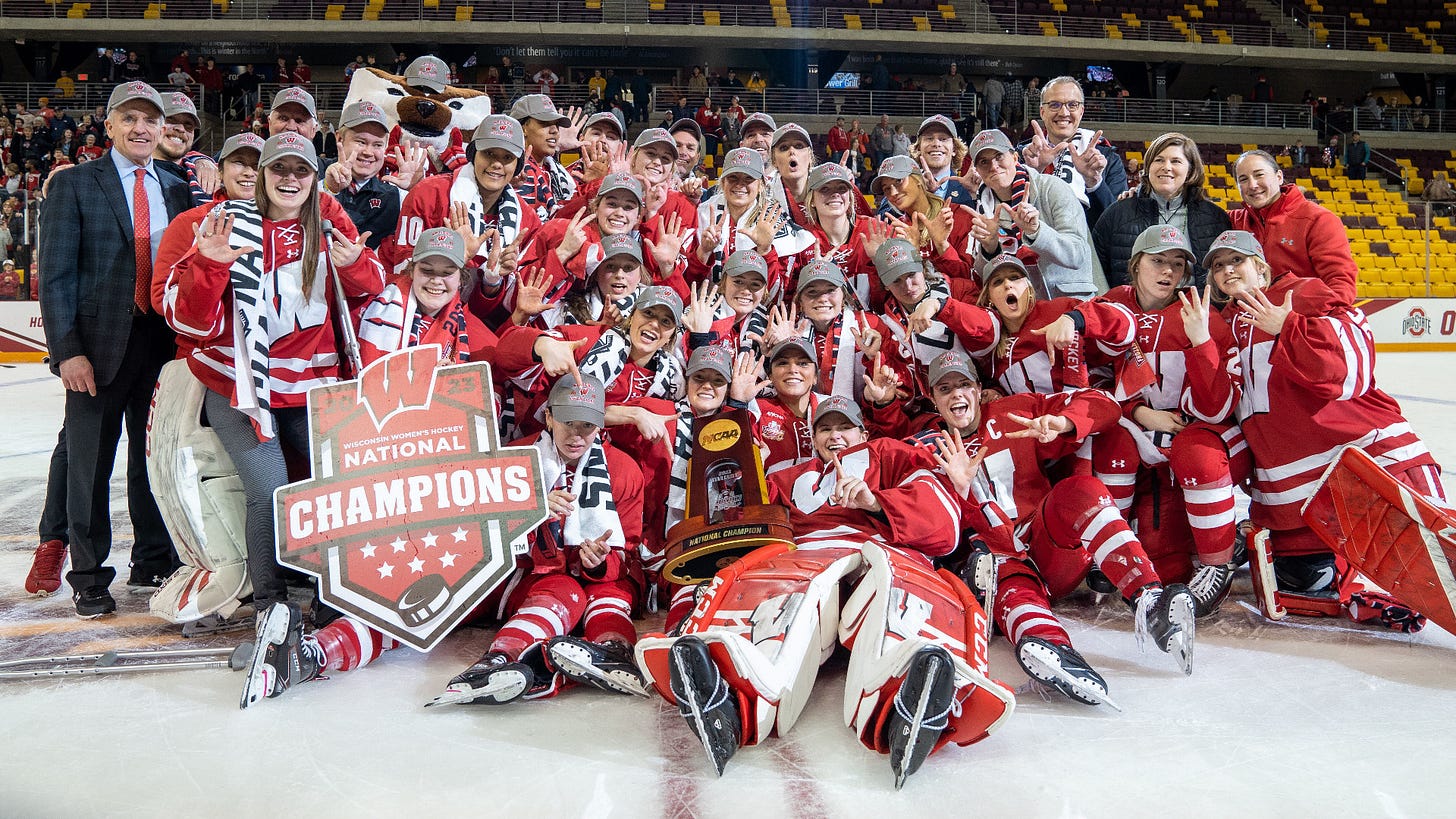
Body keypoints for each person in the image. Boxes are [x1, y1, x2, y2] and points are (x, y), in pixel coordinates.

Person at [635, 394, 1016, 787]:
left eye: (844, 427)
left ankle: (908, 699)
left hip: (886, 550)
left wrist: (875, 503)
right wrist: (746, 473)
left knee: (894, 585)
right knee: (791, 591)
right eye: (825, 428)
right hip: (811, 560)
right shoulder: (784, 478)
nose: (835, 436)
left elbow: (944, 530)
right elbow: (741, 528)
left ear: (863, 431)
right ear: (813, 437)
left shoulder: (893, 454)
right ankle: (732, 699)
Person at [160, 132, 384, 652]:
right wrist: (210, 265)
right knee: (269, 492)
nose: (289, 179)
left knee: (331, 489)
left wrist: (352, 264)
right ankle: (270, 607)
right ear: (261, 175)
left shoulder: (328, 221)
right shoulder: (219, 224)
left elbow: (371, 287)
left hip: (314, 384)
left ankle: (332, 603)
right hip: (241, 385)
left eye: (300, 171)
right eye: (278, 169)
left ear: (313, 177)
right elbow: (187, 321)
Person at [890, 351, 1197, 706]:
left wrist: (1063, 423)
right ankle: (1051, 647)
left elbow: (1105, 405)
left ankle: (1151, 600)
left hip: (1045, 544)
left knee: (1081, 491)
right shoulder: (925, 448)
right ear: (933, 398)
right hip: (995, 563)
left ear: (978, 389)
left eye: (963, 385)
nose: (956, 395)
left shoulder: (1014, 410)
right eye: (945, 389)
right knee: (999, 574)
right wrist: (955, 490)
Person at [1205, 230, 1438, 632]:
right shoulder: (1218, 326)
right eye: (1219, 265)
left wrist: (1288, 326)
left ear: (1261, 266)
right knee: (1304, 585)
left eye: (1237, 260)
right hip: (1291, 498)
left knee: (1421, 556)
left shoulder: (1303, 292)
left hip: (1365, 457)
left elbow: (1352, 367)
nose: (1228, 270)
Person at [35, 82, 193, 616]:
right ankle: (88, 575)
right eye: (130, 118)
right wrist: (67, 350)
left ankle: (152, 560)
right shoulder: (75, 185)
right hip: (95, 351)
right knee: (89, 466)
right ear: (109, 126)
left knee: (153, 461)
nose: (142, 128)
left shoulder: (176, 186)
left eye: (151, 119)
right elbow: (53, 278)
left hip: (161, 345)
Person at [1040, 225, 1244, 614]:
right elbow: (1097, 380)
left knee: (1194, 464)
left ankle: (1219, 561)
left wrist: (1200, 341)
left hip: (1197, 434)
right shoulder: (1113, 302)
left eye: (1177, 264)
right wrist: (1137, 411)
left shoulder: (1200, 314)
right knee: (1109, 443)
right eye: (1158, 261)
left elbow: (1219, 406)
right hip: (1141, 436)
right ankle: (1111, 549)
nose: (1168, 271)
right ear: (1135, 265)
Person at [434, 373, 648, 705]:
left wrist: (600, 560)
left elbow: (628, 547)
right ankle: (498, 660)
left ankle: (613, 652)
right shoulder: (515, 457)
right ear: (548, 416)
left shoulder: (624, 470)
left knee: (611, 589)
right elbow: (478, 533)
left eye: (587, 426)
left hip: (596, 581)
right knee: (561, 590)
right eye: (567, 422)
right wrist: (530, 509)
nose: (577, 435)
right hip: (533, 576)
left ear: (601, 424)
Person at [966, 129, 1105, 300]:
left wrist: (1037, 231)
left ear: (1015, 157)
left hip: (1070, 303)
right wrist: (989, 249)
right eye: (984, 162)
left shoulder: (1053, 188)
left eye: (999, 156)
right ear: (977, 171)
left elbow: (1077, 255)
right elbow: (983, 276)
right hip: (1021, 309)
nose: (994, 166)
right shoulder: (983, 208)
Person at [1092, 132, 1231, 289]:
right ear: (1148, 167)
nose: (1166, 167)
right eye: (1158, 160)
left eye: (1176, 161)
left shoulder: (1216, 218)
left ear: (1190, 171)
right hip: (1131, 311)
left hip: (1196, 309)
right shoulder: (1118, 212)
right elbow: (1096, 270)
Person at [1227, 149, 1358, 304]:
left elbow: (1340, 286)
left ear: (1279, 177)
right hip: (1253, 322)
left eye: (1259, 175)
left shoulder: (1318, 219)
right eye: (1243, 179)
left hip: (1301, 321)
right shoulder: (1233, 221)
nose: (1252, 185)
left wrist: (1293, 321)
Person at [1016, 75, 1126, 232]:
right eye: (1054, 105)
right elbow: (1006, 213)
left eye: (1072, 105)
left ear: (1081, 111)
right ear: (1042, 112)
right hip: (1032, 251)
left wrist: (1094, 183)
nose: (1063, 113)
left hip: (1089, 252)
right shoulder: (1022, 156)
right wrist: (1034, 172)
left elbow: (1119, 223)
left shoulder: (1106, 158)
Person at [324, 100, 428, 252]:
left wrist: (416, 193)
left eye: (377, 145)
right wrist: (329, 189)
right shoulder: (310, 177)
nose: (368, 152)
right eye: (361, 141)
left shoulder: (396, 197)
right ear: (339, 138)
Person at [511, 94, 577, 221]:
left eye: (556, 125)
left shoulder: (553, 168)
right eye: (545, 123)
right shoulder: (514, 168)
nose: (555, 131)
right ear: (523, 128)